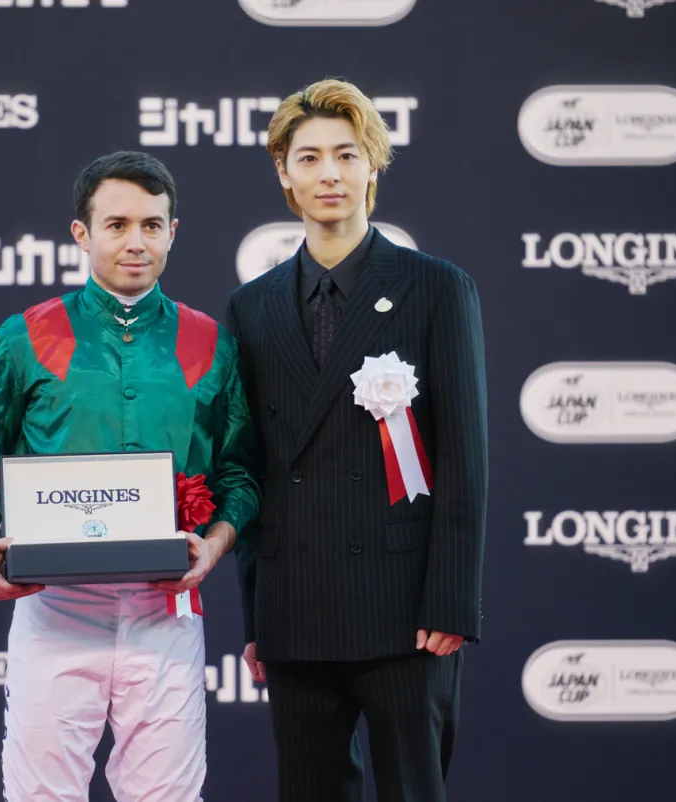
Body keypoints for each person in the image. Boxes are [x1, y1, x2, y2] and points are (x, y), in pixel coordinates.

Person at [0, 150, 261, 802]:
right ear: (81, 233)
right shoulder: (25, 338)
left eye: (151, 224)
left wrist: (213, 546)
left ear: (173, 231)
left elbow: (241, 477)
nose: (136, 242)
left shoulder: (212, 343)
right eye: (116, 225)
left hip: (166, 611)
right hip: (55, 609)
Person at [226, 79, 489, 802]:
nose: (329, 174)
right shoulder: (251, 307)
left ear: (373, 163)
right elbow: (249, 469)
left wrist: (451, 602)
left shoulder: (437, 288)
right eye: (308, 158)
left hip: (407, 612)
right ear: (284, 173)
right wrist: (257, 617)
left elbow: (464, 460)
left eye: (346, 154)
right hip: (295, 607)